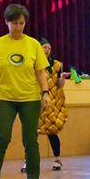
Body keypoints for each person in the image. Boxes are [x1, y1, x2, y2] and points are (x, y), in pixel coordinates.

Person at [0, 4, 50, 179]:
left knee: (30, 140)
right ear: (6, 22)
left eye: (21, 23)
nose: (18, 27)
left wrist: (45, 92)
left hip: (30, 98)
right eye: (14, 23)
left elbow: (40, 72)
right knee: (1, 138)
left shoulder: (33, 45)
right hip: (5, 98)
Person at [35, 38, 68, 171]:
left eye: (49, 48)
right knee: (32, 132)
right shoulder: (34, 63)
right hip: (36, 100)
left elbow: (59, 85)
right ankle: (28, 161)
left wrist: (62, 78)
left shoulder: (57, 65)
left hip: (52, 101)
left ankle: (57, 159)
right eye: (44, 47)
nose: (47, 50)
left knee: (52, 130)